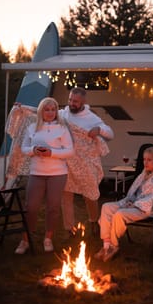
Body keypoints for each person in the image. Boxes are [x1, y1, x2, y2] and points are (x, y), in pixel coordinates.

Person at [15, 97, 74, 254]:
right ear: (41, 111)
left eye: (53, 110)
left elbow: (70, 151)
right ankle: (25, 240)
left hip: (57, 173)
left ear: (56, 111)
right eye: (47, 109)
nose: (50, 113)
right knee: (31, 207)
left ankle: (48, 238)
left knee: (53, 207)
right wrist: (33, 150)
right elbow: (24, 148)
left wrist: (51, 153)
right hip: (37, 172)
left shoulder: (62, 128)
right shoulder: (32, 127)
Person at [94, 146, 153, 262]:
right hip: (134, 204)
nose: (145, 162)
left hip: (149, 209)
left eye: (149, 160)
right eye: (144, 159)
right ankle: (106, 245)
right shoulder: (143, 174)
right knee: (106, 207)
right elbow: (133, 192)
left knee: (119, 214)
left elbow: (152, 197)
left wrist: (134, 204)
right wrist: (129, 202)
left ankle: (113, 245)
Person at [59, 87, 114, 236]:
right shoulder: (63, 114)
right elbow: (43, 111)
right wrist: (24, 108)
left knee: (90, 194)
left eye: (75, 101)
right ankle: (69, 228)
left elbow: (110, 133)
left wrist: (98, 129)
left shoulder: (91, 118)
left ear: (84, 101)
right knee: (66, 195)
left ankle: (93, 221)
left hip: (86, 163)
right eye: (70, 100)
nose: (71, 103)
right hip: (67, 162)